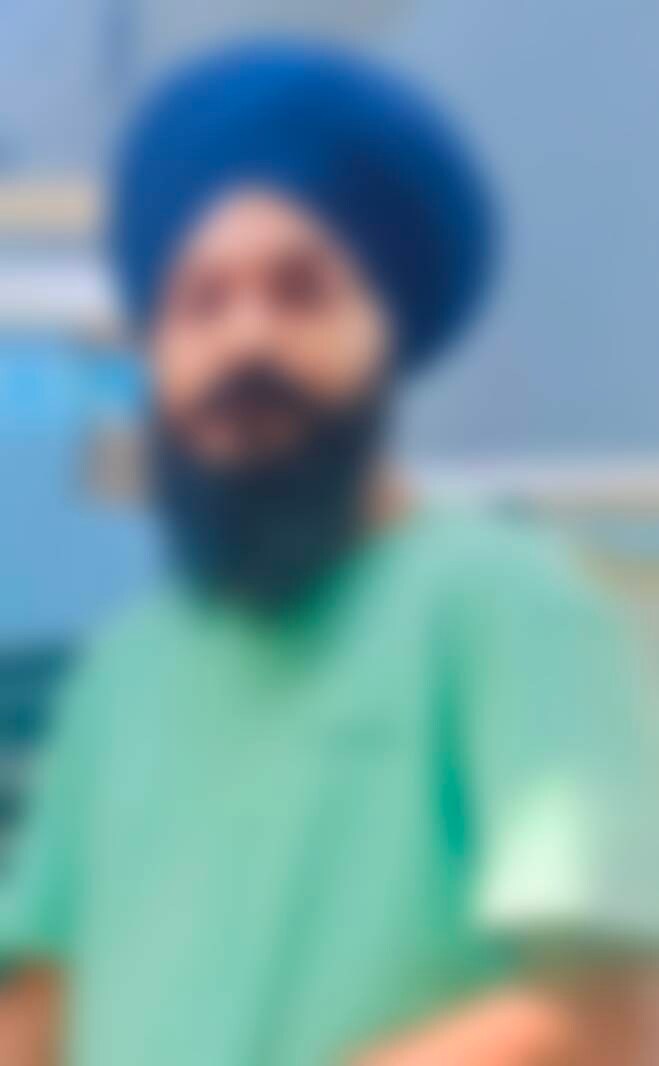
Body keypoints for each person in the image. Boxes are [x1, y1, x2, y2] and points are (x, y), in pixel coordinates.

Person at [2, 40, 659, 1066]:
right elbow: (37, 1006)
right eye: (199, 303)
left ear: (383, 336)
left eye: (298, 291)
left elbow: (600, 1019)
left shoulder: (508, 606)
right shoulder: (120, 680)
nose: (244, 340)